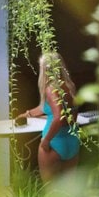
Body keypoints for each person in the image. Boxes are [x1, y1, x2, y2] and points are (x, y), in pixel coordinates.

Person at [17, 52, 80, 182]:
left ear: (46, 69)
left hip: (54, 142)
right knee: (68, 190)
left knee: (50, 191)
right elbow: (48, 108)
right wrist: (27, 114)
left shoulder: (51, 88)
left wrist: (46, 141)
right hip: (72, 141)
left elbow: (58, 118)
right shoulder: (69, 85)